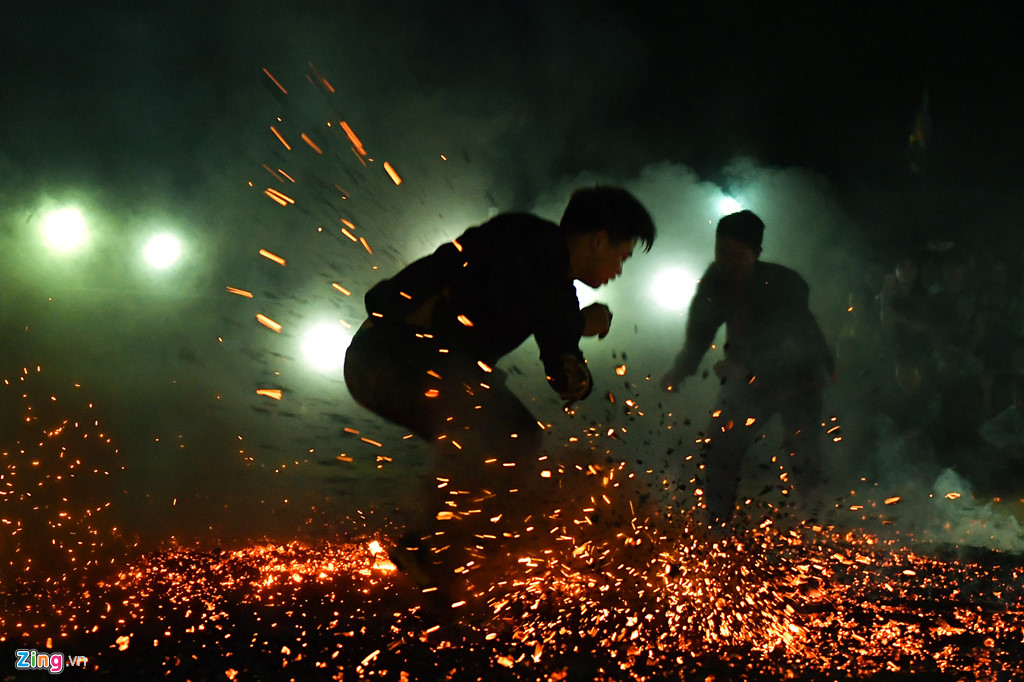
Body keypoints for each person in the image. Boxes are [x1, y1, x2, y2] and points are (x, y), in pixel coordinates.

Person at [344, 186, 655, 589]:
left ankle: (440, 562)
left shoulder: (559, 294)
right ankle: (430, 552)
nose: (618, 270)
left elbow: (558, 351)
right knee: (501, 431)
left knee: (513, 438)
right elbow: (513, 295)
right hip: (388, 356)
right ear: (598, 240)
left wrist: (574, 376)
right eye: (622, 256)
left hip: (429, 370)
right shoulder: (525, 237)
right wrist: (579, 324)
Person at [659, 210, 834, 530]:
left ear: (757, 254)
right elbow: (700, 331)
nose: (727, 262)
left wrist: (748, 368)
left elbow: (794, 343)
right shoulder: (715, 280)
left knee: (803, 453)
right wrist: (681, 369)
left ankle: (816, 524)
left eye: (736, 256)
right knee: (721, 447)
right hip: (746, 379)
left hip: (800, 377)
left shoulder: (786, 285)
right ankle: (717, 526)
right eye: (721, 252)